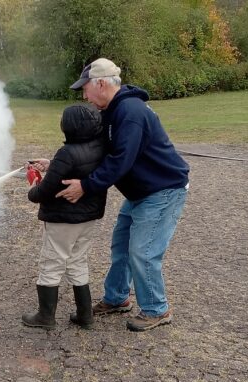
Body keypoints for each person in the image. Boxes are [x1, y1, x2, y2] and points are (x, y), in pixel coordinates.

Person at [56, 58, 189, 332]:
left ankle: (156, 309)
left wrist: (85, 186)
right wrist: (55, 165)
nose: (84, 95)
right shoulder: (112, 111)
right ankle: (117, 298)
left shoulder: (129, 112)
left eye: (86, 89)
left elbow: (119, 162)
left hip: (162, 191)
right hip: (141, 192)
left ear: (101, 84)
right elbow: (97, 152)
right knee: (121, 245)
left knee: (143, 251)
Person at [22, 104, 109, 330]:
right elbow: (77, 167)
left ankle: (45, 317)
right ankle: (85, 316)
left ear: (68, 127)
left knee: (52, 263)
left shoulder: (67, 153)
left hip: (62, 219)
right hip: (88, 218)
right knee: (77, 260)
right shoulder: (100, 148)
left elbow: (43, 191)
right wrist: (52, 165)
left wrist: (32, 186)